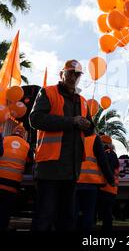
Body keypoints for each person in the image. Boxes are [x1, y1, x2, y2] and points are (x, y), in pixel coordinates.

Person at [30, 60, 94, 231]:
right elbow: (35, 119)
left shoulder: (82, 101)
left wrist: (87, 126)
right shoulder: (48, 92)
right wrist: (71, 121)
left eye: (77, 74)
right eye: (70, 73)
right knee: (44, 216)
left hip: (71, 170)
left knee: (66, 219)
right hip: (50, 167)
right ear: (62, 74)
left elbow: (90, 129)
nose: (73, 77)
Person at [0, 125, 31, 231]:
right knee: (4, 212)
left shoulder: (4, 139)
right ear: (24, 135)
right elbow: (29, 163)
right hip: (12, 184)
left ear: (12, 132)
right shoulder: (27, 146)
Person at [75, 133, 114, 231]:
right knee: (88, 214)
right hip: (91, 183)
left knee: (74, 213)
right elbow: (103, 162)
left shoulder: (75, 136)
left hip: (75, 182)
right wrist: (110, 179)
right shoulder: (94, 139)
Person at [97, 135, 120, 232]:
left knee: (106, 214)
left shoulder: (109, 154)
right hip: (109, 188)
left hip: (107, 187)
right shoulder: (111, 154)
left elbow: (107, 169)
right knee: (106, 213)